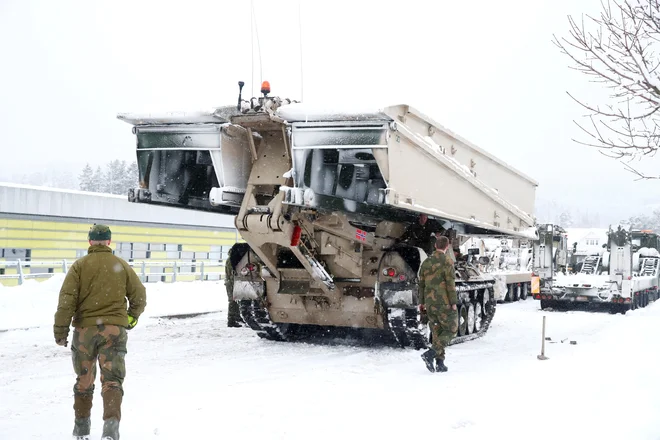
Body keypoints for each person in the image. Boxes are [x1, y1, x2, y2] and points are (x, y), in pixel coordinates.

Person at [53, 224, 147, 440]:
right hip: (114, 330)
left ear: (89, 242)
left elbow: (66, 301)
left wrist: (61, 331)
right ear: (109, 242)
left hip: (84, 332)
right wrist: (130, 318)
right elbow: (139, 296)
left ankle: (81, 430)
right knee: (112, 380)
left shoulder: (79, 266)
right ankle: (110, 430)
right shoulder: (121, 265)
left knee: (84, 380)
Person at [418, 235, 459, 373]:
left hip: (430, 303)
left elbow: (421, 284)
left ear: (435, 246)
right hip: (444, 302)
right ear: (446, 247)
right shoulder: (447, 261)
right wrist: (453, 302)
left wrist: (421, 302)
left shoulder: (426, 262)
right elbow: (450, 284)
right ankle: (430, 353)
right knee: (451, 330)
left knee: (436, 331)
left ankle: (440, 363)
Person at [225, 242, 250, 327]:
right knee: (233, 301)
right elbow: (232, 273)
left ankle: (237, 318)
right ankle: (231, 320)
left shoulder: (232, 259)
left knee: (238, 301)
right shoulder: (231, 260)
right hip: (231, 282)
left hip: (232, 282)